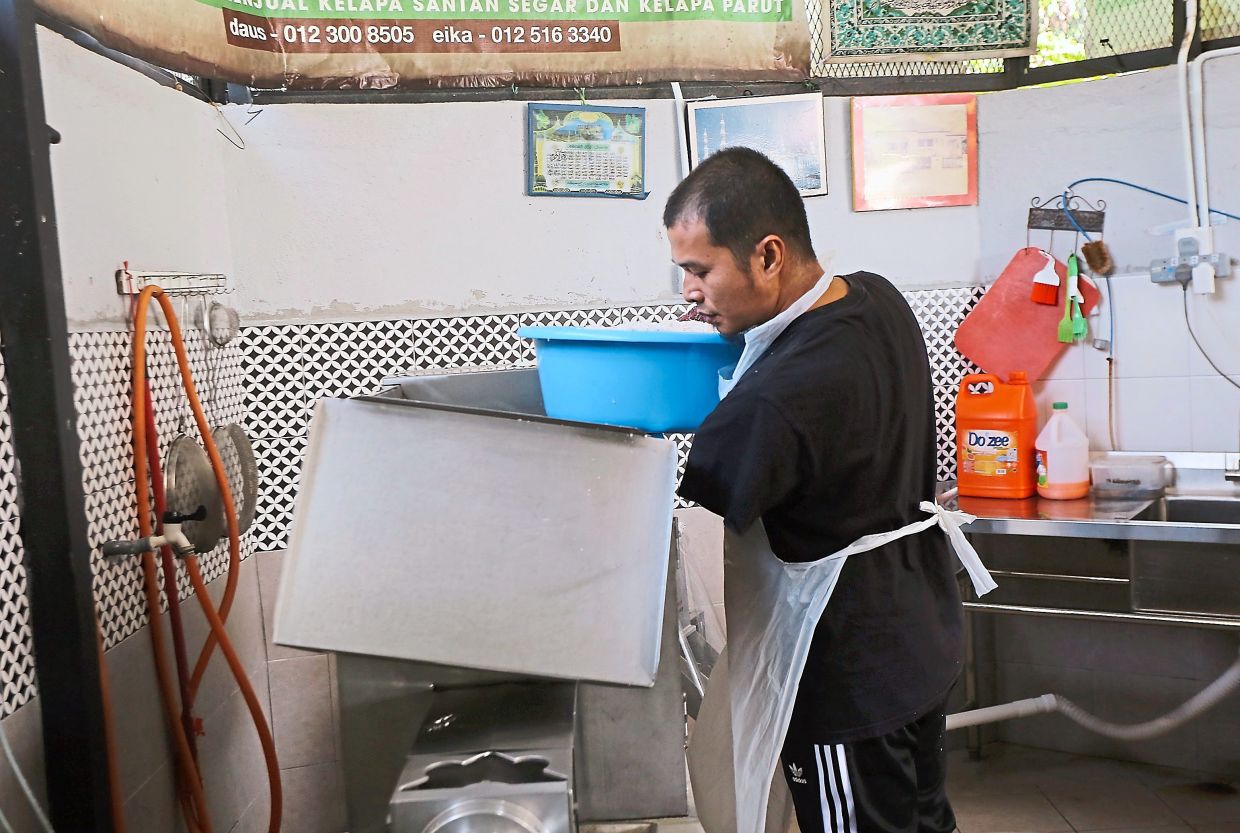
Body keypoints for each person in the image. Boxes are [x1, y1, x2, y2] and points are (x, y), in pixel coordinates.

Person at [666, 146, 967, 833]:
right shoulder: (877, 298)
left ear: (768, 256)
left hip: (846, 680)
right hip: (922, 638)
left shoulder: (774, 401)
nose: (688, 292)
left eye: (699, 270)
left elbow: (704, 493)